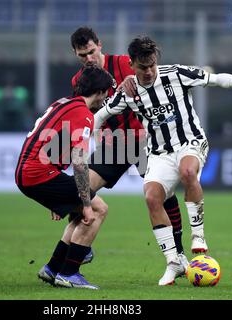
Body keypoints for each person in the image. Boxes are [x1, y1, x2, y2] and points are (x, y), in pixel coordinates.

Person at [94, 36, 232, 285]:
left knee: (188, 172)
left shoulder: (176, 74)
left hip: (190, 142)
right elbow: (99, 115)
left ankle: (198, 237)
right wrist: (86, 138)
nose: (148, 71)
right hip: (159, 153)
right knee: (151, 197)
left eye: (152, 65)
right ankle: (174, 262)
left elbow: (213, 79)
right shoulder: (128, 92)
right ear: (132, 65)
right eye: (142, 67)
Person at [69, 27, 188, 265]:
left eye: (91, 52)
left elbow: (155, 83)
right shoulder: (79, 81)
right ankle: (80, 247)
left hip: (145, 141)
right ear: (75, 54)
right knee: (80, 191)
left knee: (164, 196)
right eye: (82, 55)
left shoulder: (126, 63)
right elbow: (88, 112)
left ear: (99, 45)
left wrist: (133, 80)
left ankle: (179, 252)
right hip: (114, 145)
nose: (89, 58)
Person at [16, 66, 113, 289]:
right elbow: (79, 163)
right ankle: (69, 273)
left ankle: (52, 268)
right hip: (38, 174)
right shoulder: (84, 115)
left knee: (80, 211)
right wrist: (86, 204)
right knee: (98, 209)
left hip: (30, 172)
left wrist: (57, 194)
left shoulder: (63, 103)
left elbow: (53, 147)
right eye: (106, 92)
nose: (106, 97)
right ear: (99, 91)